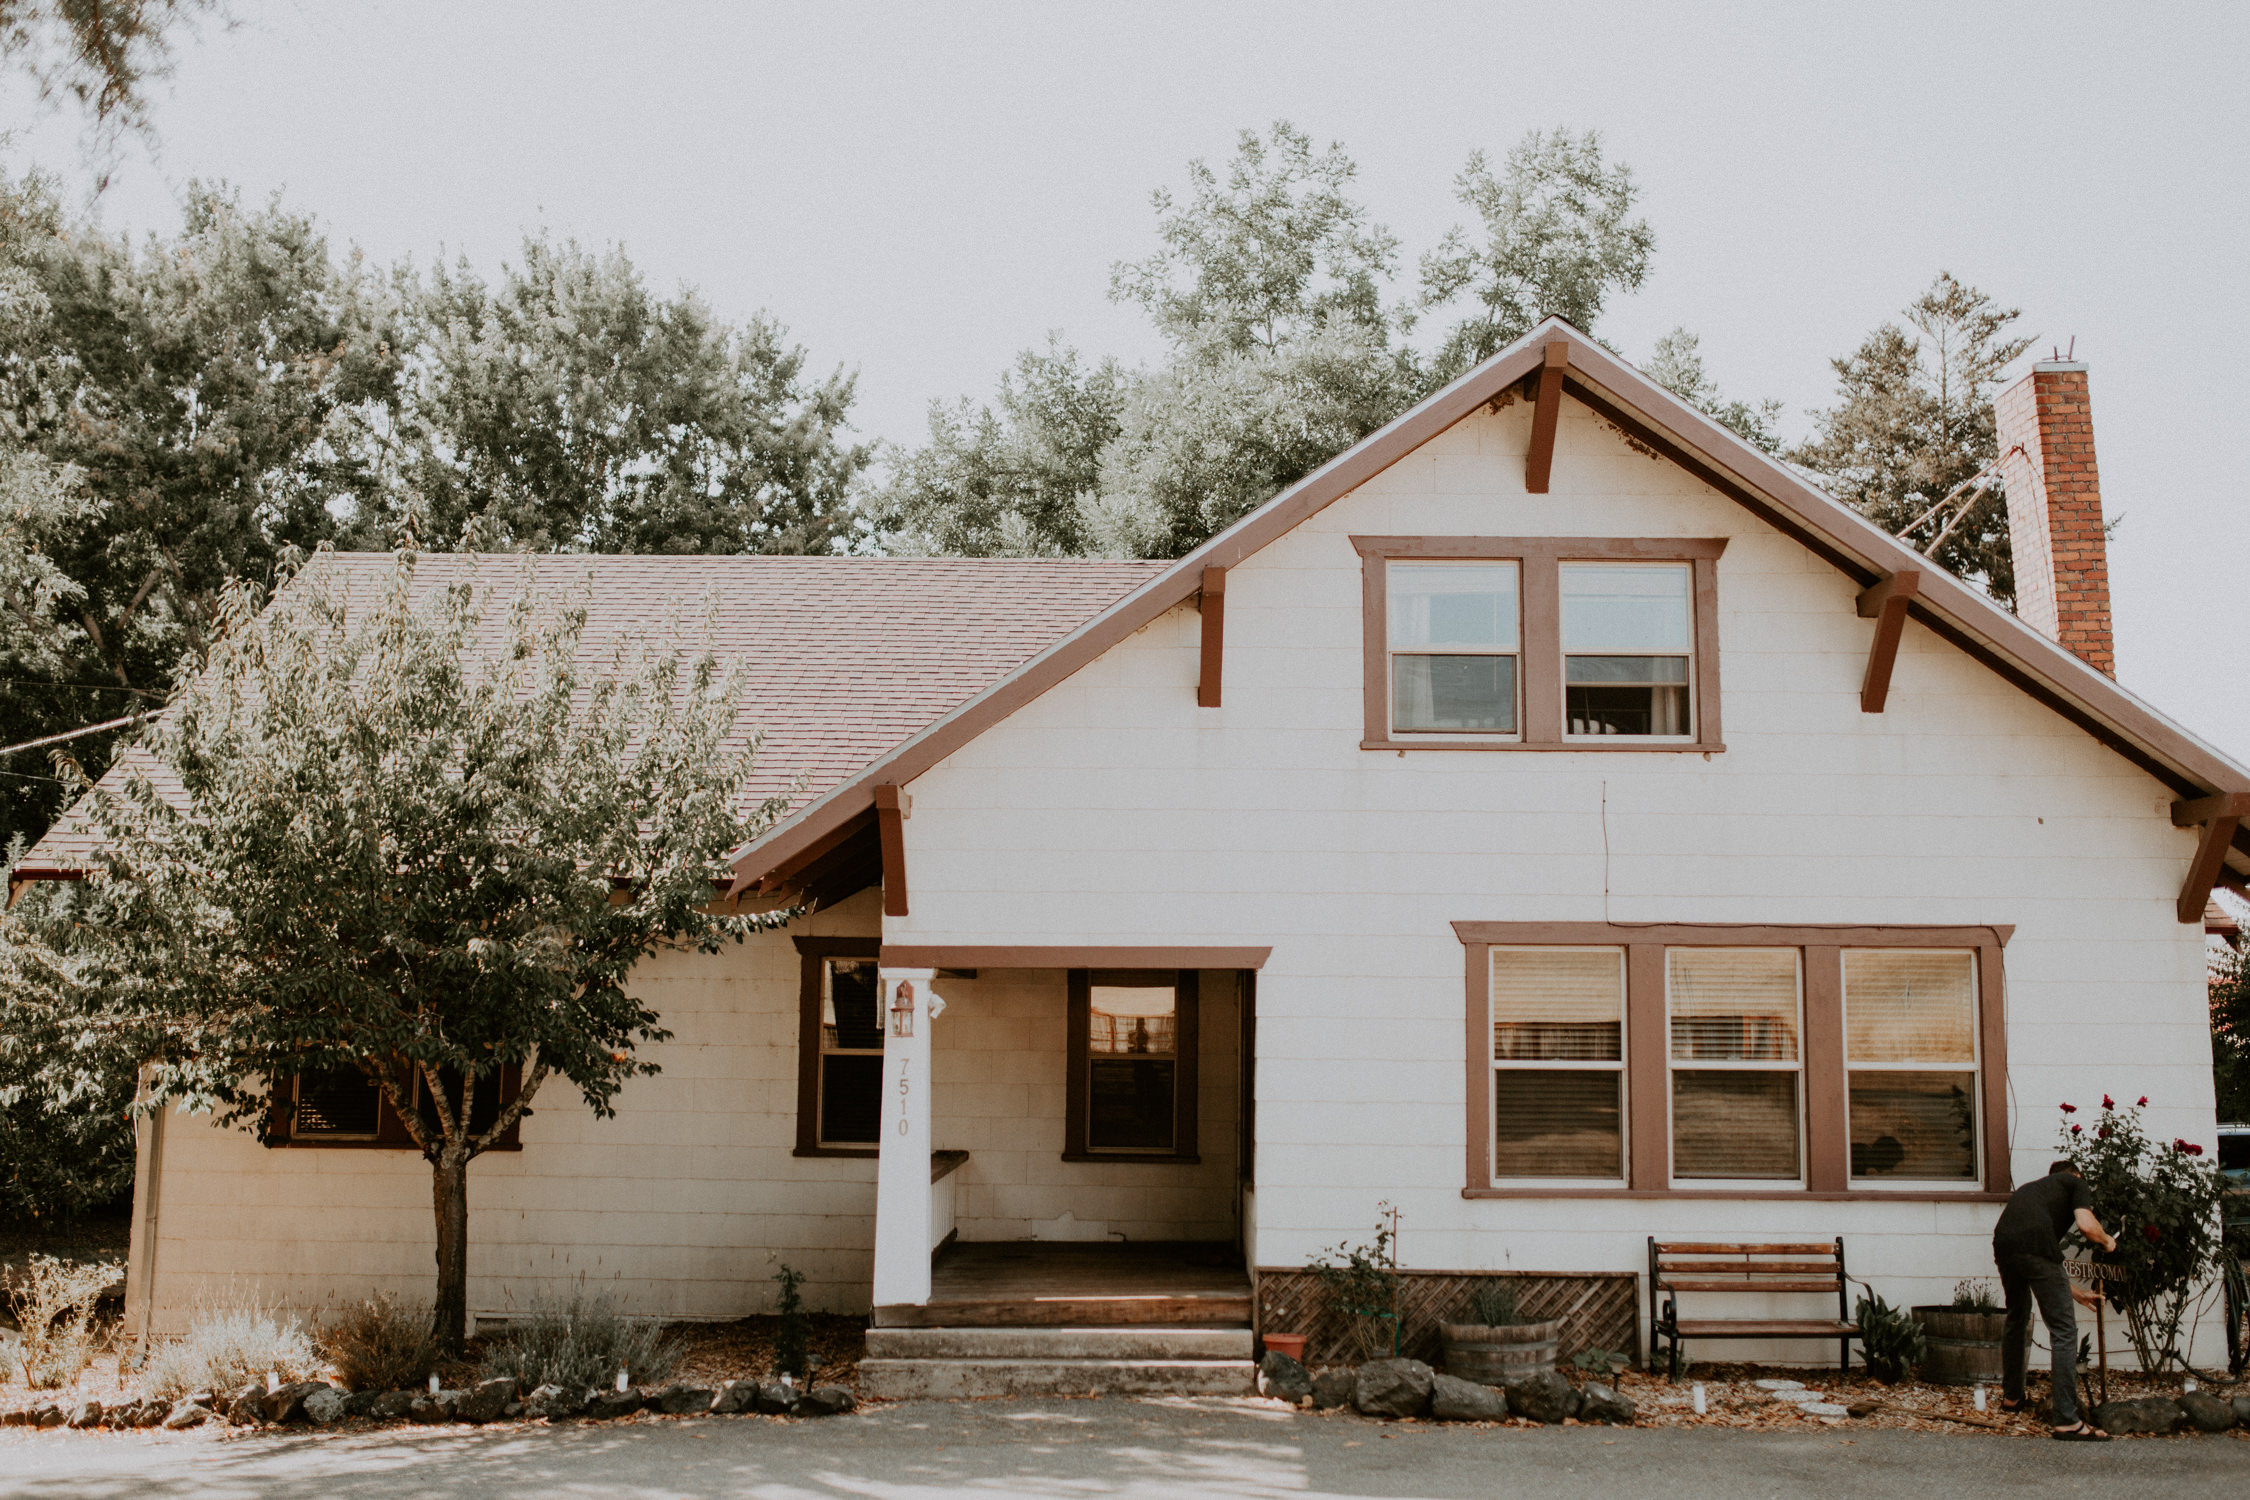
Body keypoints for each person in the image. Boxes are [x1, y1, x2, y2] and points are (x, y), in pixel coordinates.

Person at [1991, 1159, 2118, 1440]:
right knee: (2064, 1331)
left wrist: (2076, 1292)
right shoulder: (2075, 1183)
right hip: (2033, 1248)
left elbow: (2042, 1264)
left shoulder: (2033, 1191)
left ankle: (2012, 1398)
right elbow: (2086, 1225)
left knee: (2017, 1316)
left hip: (2004, 1245)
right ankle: (2066, 1420)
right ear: (2076, 1175)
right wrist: (2107, 1241)